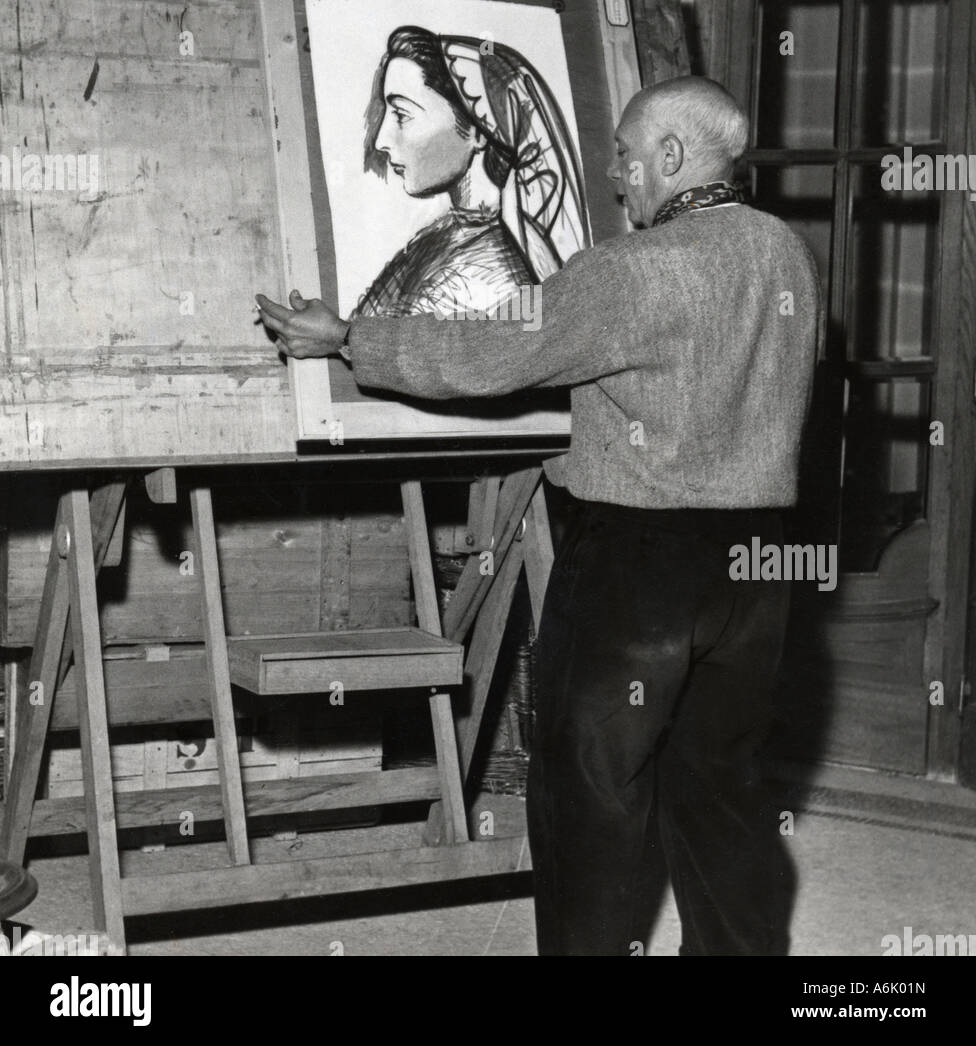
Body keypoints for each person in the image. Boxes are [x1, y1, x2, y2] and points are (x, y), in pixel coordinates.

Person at [256, 75, 822, 957]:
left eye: (628, 157)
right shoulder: (787, 255)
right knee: (721, 793)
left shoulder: (628, 271)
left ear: (672, 156)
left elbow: (490, 353)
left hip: (641, 567)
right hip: (756, 573)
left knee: (594, 805)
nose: (615, 175)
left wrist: (350, 340)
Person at [353, 25, 588, 317]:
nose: (381, 141)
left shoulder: (497, 274)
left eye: (402, 114)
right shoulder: (434, 241)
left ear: (478, 130)